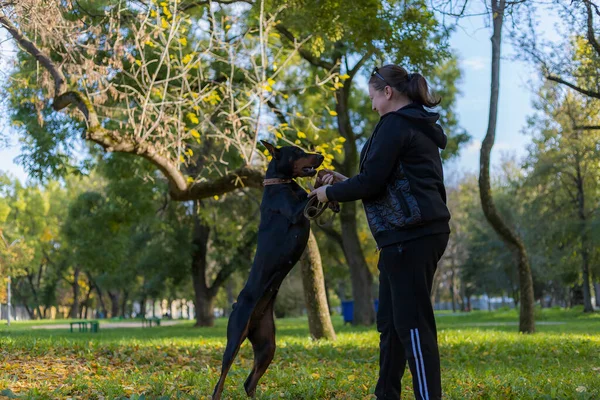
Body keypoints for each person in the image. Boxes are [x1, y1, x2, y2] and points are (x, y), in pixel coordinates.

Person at [308, 64, 450, 400]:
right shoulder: (412, 124)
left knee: (413, 326)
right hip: (405, 236)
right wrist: (343, 183)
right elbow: (382, 182)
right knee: (390, 325)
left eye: (372, 96)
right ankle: (385, 394)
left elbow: (372, 182)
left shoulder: (395, 124)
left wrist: (327, 194)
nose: (371, 105)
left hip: (410, 237)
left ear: (387, 92)